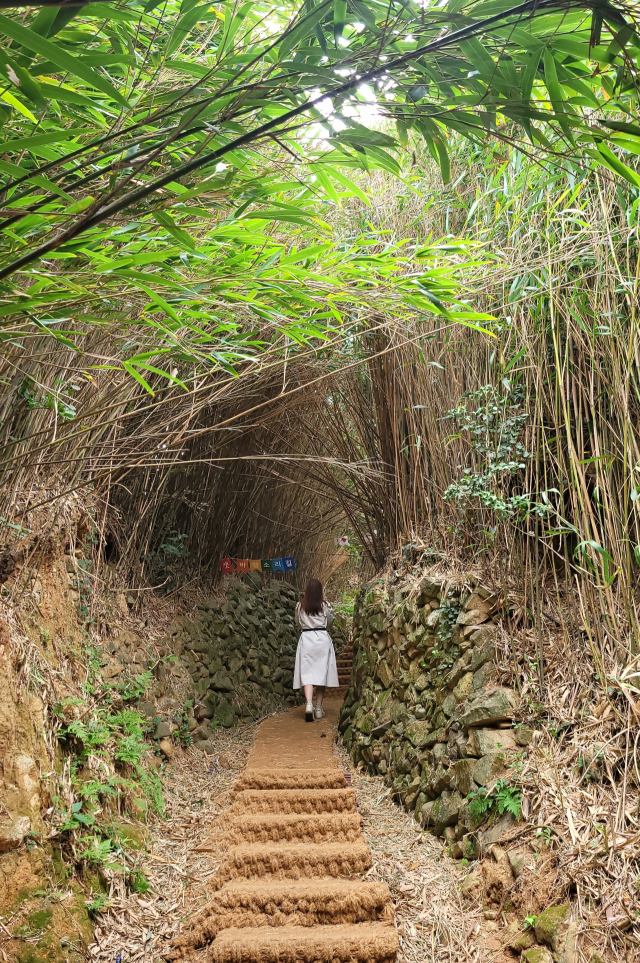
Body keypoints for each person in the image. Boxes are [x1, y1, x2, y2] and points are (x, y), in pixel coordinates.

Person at [293, 578, 338, 721]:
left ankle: (308, 704)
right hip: (322, 639)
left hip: (306, 639)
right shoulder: (325, 606)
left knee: (308, 674)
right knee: (321, 674)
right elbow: (330, 622)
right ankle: (318, 708)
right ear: (320, 591)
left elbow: (298, 622)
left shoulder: (300, 606)